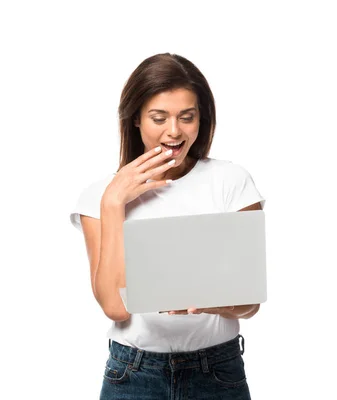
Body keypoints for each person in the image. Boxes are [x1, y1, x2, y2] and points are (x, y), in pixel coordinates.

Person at [69, 53, 265, 400]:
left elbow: (250, 304)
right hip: (133, 373)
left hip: (217, 370)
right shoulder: (99, 196)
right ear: (136, 120)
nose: (174, 131)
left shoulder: (230, 182)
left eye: (186, 117)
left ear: (201, 119)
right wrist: (114, 203)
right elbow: (114, 307)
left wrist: (213, 301)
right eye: (159, 118)